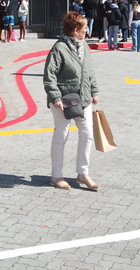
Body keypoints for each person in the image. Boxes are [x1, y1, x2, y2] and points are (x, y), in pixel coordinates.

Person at [43, 12, 100, 190]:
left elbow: (89, 71)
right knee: (62, 135)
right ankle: (56, 175)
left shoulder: (84, 46)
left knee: (87, 133)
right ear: (75, 30)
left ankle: (83, 173)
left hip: (83, 99)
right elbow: (49, 75)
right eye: (84, 28)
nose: (87, 31)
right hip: (64, 99)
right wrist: (55, 97)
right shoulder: (59, 48)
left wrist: (94, 91)